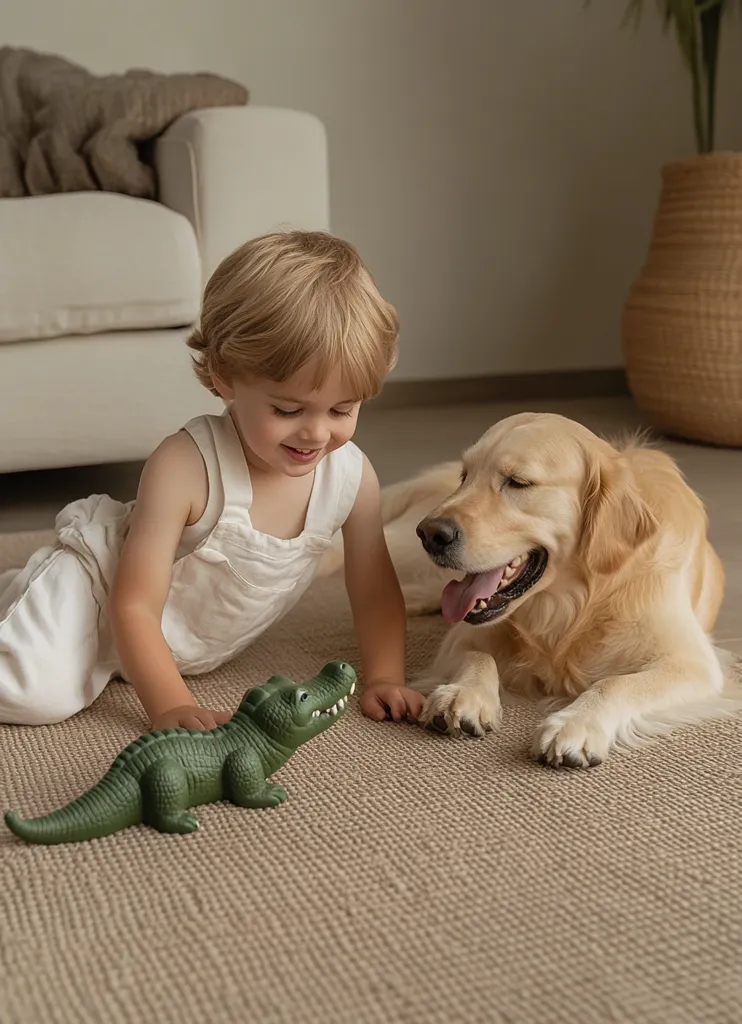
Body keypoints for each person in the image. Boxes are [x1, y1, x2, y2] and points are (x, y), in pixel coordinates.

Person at [0, 230, 425, 729]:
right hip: (97, 593)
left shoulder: (353, 479)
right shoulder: (186, 466)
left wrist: (383, 676)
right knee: (32, 694)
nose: (316, 432)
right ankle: (31, 596)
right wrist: (171, 705)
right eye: (288, 409)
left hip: (180, 643)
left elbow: (374, 589)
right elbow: (133, 603)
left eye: (342, 409)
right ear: (224, 377)